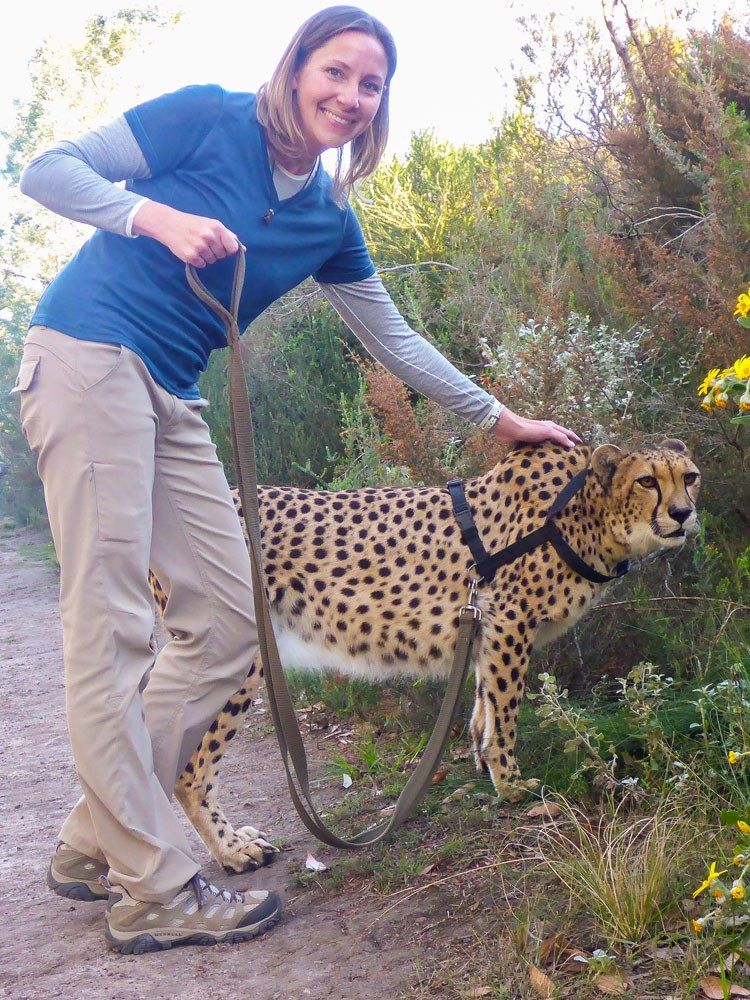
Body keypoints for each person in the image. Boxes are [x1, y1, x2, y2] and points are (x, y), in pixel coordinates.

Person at [14, 5, 580, 954]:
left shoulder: (326, 217)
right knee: (110, 626)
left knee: (233, 624)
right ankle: (151, 889)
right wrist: (153, 216)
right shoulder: (207, 116)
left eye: (372, 85)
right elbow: (48, 169)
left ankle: (89, 842)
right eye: (339, 71)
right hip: (86, 356)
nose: (352, 97)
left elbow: (392, 336)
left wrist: (500, 417)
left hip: (172, 391)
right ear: (297, 65)